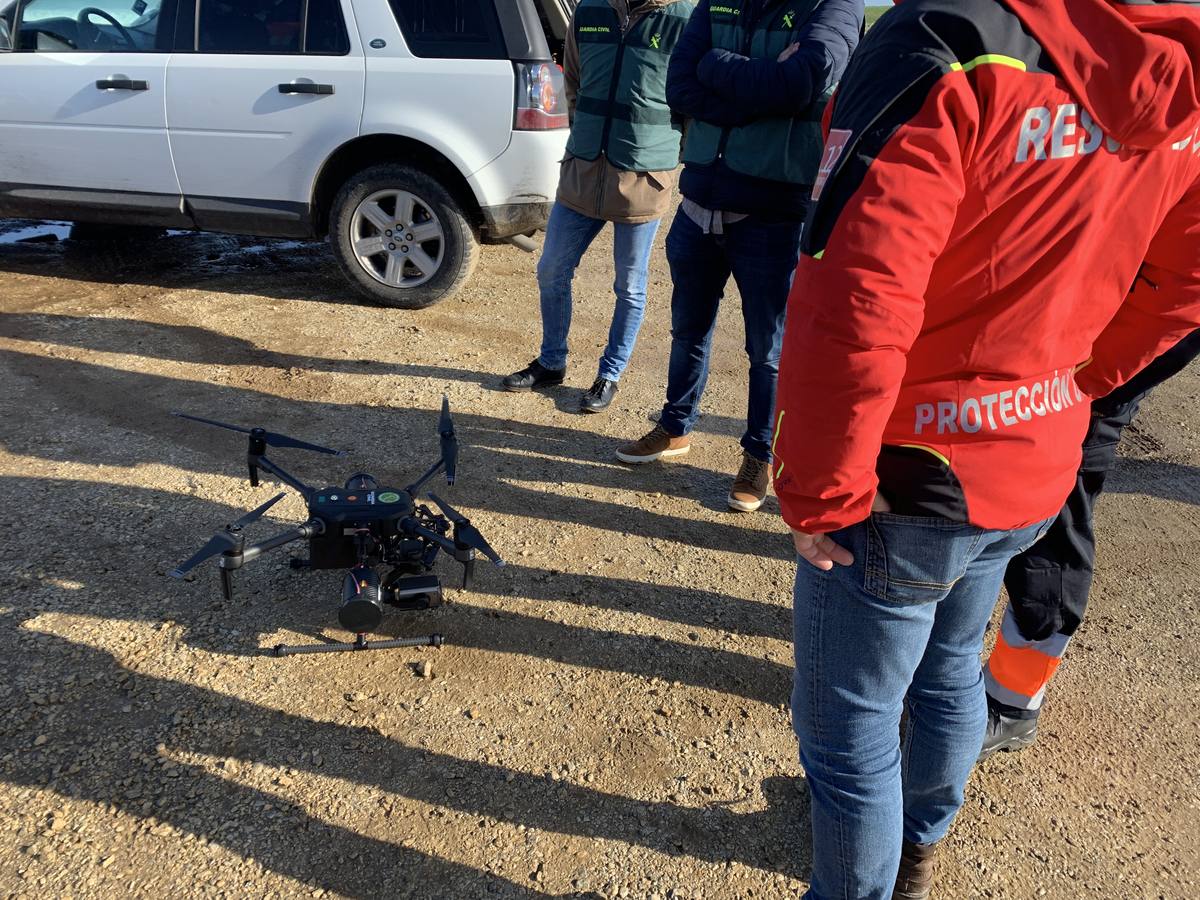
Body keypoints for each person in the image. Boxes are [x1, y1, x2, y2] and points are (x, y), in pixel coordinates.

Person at [770, 1, 1200, 897]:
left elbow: (857, 293)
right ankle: (919, 846)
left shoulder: (945, 42)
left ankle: (872, 876)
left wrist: (819, 490)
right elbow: (1182, 282)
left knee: (850, 736)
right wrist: (1078, 382)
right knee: (952, 675)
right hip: (1033, 464)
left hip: (911, 480)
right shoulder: (1182, 64)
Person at [614, 0, 863, 513]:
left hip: (773, 213)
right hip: (699, 199)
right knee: (687, 330)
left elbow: (804, 81)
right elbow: (679, 84)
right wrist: (756, 96)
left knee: (767, 351)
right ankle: (675, 427)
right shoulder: (718, 1)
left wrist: (717, 67)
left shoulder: (833, 6)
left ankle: (758, 454)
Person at [982, 327, 1200, 758]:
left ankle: (1012, 703)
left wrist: (1081, 376)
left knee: (1060, 481)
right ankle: (948, 666)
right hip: (1070, 333)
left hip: (1097, 355)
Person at [503, 0, 695, 414]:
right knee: (552, 267)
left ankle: (610, 374)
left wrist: (667, 151)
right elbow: (573, 80)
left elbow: (691, 100)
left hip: (643, 175)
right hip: (584, 168)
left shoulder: (684, 18)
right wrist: (587, 132)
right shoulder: (589, 12)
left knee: (630, 286)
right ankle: (552, 361)